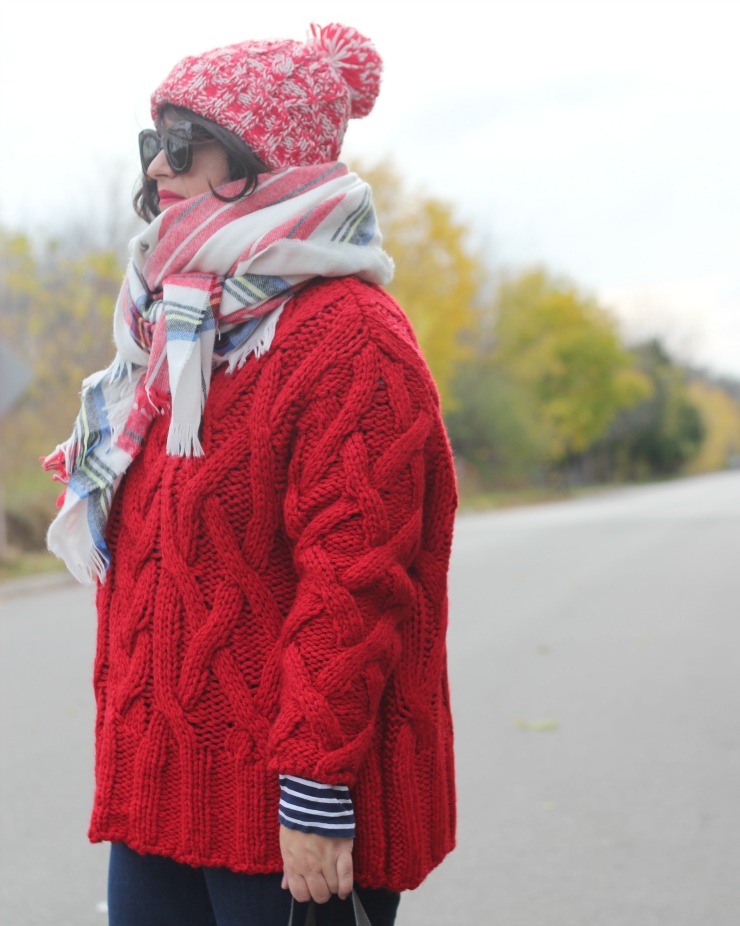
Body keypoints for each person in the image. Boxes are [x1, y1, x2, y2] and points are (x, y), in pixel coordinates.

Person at [43, 23, 457, 926]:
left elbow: (353, 585)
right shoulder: (178, 327)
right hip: (161, 790)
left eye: (184, 145)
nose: (158, 170)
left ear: (264, 158)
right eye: (154, 144)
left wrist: (315, 791)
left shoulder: (351, 337)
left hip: (294, 818)